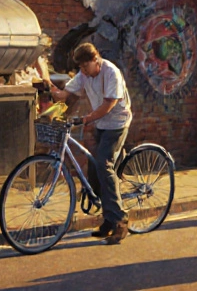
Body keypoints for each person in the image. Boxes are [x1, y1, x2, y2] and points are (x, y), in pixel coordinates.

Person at [43, 42, 133, 244]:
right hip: (100, 124)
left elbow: (109, 105)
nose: (83, 71)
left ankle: (119, 220)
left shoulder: (111, 73)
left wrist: (84, 119)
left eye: (85, 67)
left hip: (117, 123)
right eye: (80, 68)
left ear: (96, 60)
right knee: (93, 167)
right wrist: (48, 86)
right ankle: (108, 221)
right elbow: (65, 94)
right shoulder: (84, 74)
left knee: (104, 165)